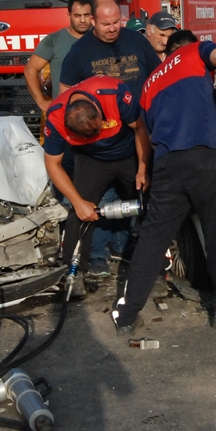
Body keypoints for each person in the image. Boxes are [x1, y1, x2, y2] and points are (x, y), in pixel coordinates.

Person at [112, 30, 216, 334]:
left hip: (169, 164)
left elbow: (147, 133)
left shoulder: (149, 83)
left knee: (153, 239)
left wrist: (146, 169)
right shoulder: (195, 53)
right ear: (191, 45)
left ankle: (127, 315)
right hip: (209, 156)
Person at [42, 76, 149, 281]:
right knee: (79, 212)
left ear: (98, 110)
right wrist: (78, 201)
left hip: (129, 152)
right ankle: (73, 271)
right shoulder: (55, 118)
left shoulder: (113, 92)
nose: (99, 135)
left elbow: (141, 127)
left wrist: (143, 169)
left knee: (150, 199)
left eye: (100, 129)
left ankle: (151, 254)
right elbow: (52, 164)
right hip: (92, 159)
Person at [59, 0, 160, 96]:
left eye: (116, 22)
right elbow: (66, 92)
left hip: (140, 111)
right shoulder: (79, 50)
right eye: (106, 24)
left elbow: (159, 76)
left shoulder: (138, 40)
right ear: (93, 21)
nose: (112, 29)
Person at [23, 0, 93, 111]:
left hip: (97, 110)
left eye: (86, 15)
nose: (82, 20)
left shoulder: (100, 38)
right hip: (64, 112)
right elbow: (30, 70)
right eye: (77, 15)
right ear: (69, 15)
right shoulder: (53, 40)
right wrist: (41, 102)